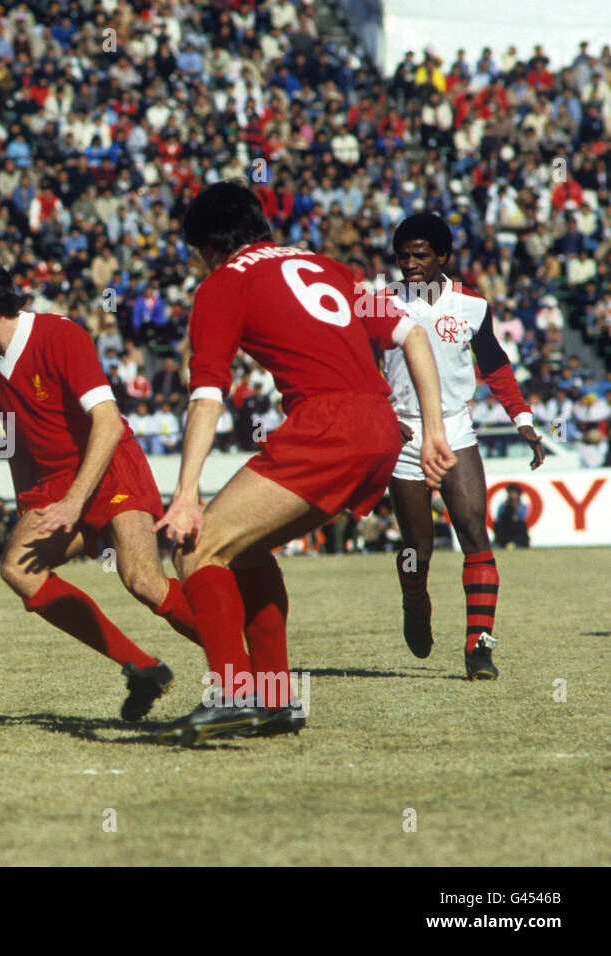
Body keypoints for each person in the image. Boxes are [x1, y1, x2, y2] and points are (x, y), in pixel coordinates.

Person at [152, 181, 455, 746]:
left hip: (327, 425)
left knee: (197, 545)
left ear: (208, 247)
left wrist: (186, 493)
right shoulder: (328, 267)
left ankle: (234, 691)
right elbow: (412, 333)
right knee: (245, 549)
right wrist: (434, 428)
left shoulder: (224, 283)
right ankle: (274, 700)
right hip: (382, 428)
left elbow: (207, 395)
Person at [0, 245, 202, 721]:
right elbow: (12, 436)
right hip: (55, 484)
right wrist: (26, 505)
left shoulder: (60, 335)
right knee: (18, 569)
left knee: (142, 581)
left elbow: (108, 422)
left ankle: (247, 663)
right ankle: (142, 668)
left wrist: (76, 502)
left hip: (110, 466)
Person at [382, 213, 545, 679]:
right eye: (403, 256)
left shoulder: (472, 305)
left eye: (420, 255)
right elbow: (357, 361)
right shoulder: (379, 303)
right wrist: (381, 413)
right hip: (405, 433)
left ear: (443, 258)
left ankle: (479, 649)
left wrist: (524, 421)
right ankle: (416, 604)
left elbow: (495, 366)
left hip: (455, 430)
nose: (410, 264)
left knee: (474, 533)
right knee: (417, 548)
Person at [494, 484, 531, 549]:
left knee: (522, 526)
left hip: (517, 527)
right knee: (498, 525)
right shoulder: (503, 505)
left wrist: (516, 507)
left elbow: (522, 517)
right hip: (505, 526)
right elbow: (499, 517)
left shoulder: (522, 506)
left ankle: (520, 544)